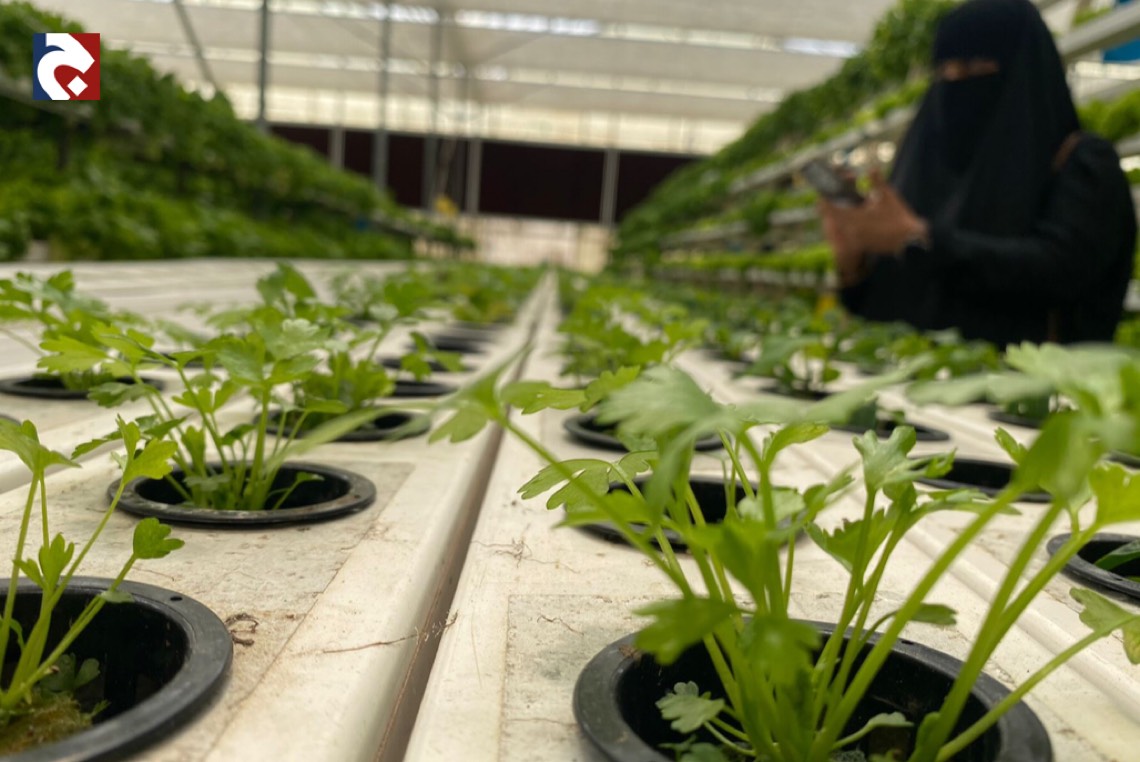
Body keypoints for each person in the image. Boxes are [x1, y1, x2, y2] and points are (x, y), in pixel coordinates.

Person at [820, 0, 1137, 347]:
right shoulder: (930, 173)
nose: (955, 82)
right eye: (945, 70)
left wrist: (920, 240)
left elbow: (1060, 272)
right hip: (921, 375)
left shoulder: (1082, 164)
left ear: (1026, 72)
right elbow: (891, 305)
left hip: (1030, 380)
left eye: (974, 66)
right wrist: (854, 259)